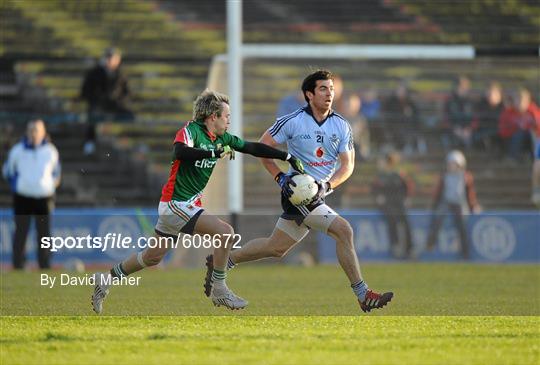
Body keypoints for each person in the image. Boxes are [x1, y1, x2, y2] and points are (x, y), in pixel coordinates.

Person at [91, 89, 304, 314]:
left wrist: (286, 156)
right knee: (225, 233)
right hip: (176, 204)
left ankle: (105, 278)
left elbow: (251, 147)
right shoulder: (191, 130)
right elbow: (180, 152)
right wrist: (213, 153)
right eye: (226, 116)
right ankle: (220, 290)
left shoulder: (223, 138)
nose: (229, 120)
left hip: (184, 206)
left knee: (152, 257)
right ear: (213, 117)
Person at [204, 70, 393, 313]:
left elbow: (348, 166)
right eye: (323, 89)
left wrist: (327, 185)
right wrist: (280, 177)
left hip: (319, 193)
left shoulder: (342, 125)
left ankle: (222, 261)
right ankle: (363, 294)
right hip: (298, 191)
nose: (329, 94)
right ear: (309, 94)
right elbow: (263, 148)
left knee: (276, 248)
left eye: (331, 89)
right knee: (344, 230)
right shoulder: (292, 121)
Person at [2, 119, 61, 270]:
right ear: (27, 132)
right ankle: (18, 264)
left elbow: (56, 173)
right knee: (21, 231)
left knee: (44, 234)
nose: (34, 133)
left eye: (37, 130)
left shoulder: (51, 151)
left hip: (44, 198)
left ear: (43, 132)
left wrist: (49, 187)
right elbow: (8, 172)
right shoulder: (17, 151)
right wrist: (19, 186)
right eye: (31, 130)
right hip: (23, 197)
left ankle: (45, 265)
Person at [426, 150, 481, 260]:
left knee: (462, 225)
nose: (451, 167)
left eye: (454, 164)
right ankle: (430, 243)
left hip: (459, 203)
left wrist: (473, 205)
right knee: (437, 218)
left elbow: (470, 193)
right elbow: (438, 192)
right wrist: (434, 205)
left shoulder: (465, 177)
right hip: (447, 202)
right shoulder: (444, 176)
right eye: (450, 164)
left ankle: (465, 252)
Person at [80, 47, 134, 155]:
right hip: (98, 104)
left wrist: (118, 100)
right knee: (93, 115)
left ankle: (123, 141)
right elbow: (86, 91)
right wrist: (99, 99)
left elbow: (127, 93)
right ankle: (90, 141)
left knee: (129, 115)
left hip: (114, 104)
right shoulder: (95, 73)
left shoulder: (120, 75)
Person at [371, 151, 414, 259]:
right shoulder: (381, 176)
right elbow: (374, 189)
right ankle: (396, 247)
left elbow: (407, 187)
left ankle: (409, 248)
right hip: (388, 204)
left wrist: (407, 198)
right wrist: (379, 197)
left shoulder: (399, 174)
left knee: (405, 222)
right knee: (392, 221)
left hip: (399, 202)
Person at [498, 88, 540, 162]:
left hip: (532, 139)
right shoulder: (509, 112)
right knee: (519, 133)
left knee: (531, 133)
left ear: (528, 101)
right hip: (511, 138)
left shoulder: (534, 112)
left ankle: (535, 158)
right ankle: (513, 158)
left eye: (522, 100)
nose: (520, 103)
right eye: (517, 100)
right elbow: (503, 130)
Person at [382, 83, 424, 154]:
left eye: (402, 91)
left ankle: (413, 147)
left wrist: (409, 114)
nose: (400, 93)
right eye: (398, 90)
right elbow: (387, 114)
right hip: (394, 125)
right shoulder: (391, 102)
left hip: (408, 126)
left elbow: (416, 115)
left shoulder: (409, 102)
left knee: (412, 133)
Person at [472, 82, 504, 152]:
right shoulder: (481, 105)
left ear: (498, 94)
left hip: (499, 132)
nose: (489, 96)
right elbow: (476, 120)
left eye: (491, 93)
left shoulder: (504, 106)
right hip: (484, 130)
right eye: (487, 93)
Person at [444, 76, 475, 149]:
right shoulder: (449, 101)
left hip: (469, 131)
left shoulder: (472, 101)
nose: (462, 89)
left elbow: (476, 118)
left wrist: (469, 128)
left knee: (469, 141)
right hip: (453, 130)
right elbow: (445, 118)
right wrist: (454, 128)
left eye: (464, 87)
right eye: (460, 86)